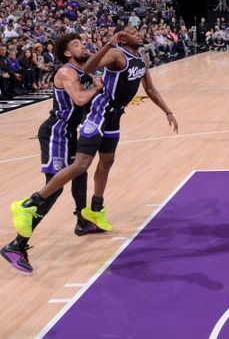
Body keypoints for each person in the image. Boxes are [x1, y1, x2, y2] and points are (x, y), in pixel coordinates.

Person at [10, 26, 178, 245]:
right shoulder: (116, 53)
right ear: (123, 38)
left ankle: (94, 209)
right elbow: (89, 68)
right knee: (81, 166)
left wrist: (168, 111)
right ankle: (31, 204)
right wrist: (109, 43)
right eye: (133, 32)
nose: (139, 34)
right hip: (99, 111)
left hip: (115, 114)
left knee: (107, 161)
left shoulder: (142, 57)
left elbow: (150, 88)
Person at [1, 34, 104, 274]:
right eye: (76, 44)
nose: (83, 46)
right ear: (67, 53)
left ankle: (81, 221)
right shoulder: (66, 71)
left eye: (82, 42)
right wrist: (97, 88)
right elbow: (79, 99)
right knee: (54, 188)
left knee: (80, 173)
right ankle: (16, 245)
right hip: (56, 133)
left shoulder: (83, 70)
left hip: (68, 133)